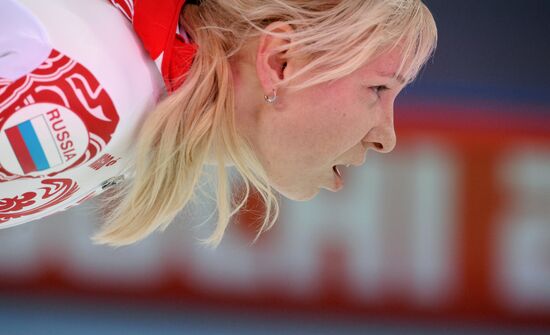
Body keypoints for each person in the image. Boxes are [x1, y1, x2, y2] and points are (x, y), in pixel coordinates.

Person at [0, 0, 437, 247]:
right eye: (378, 89)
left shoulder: (127, 93)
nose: (388, 137)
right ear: (280, 62)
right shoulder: (88, 102)